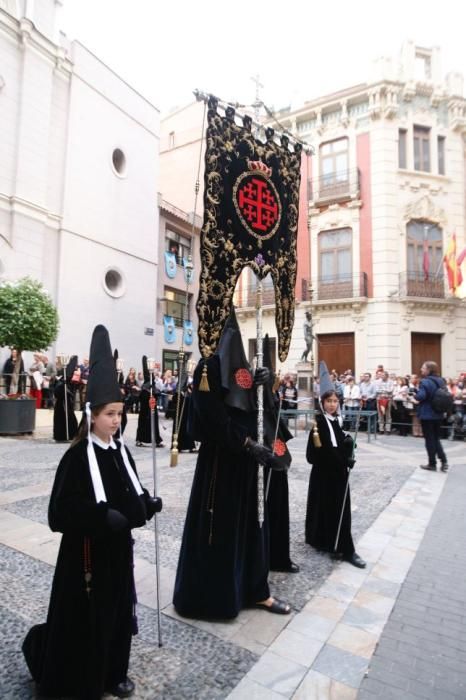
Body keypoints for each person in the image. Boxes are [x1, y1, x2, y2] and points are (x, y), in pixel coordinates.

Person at [22, 324, 162, 700]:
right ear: (93, 415)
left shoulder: (121, 451)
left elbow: (130, 490)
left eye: (119, 414)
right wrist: (100, 518)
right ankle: (85, 676)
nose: (117, 421)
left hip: (118, 552)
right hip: (85, 556)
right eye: (110, 415)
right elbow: (60, 511)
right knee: (90, 618)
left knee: (117, 613)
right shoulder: (76, 457)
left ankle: (114, 671)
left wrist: (146, 505)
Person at [173, 308, 291, 619]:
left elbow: (257, 410)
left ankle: (256, 590)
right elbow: (212, 419)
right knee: (220, 528)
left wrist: (267, 386)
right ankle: (215, 598)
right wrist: (248, 445)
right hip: (221, 465)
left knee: (253, 525)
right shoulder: (206, 370)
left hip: (247, 467)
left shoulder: (245, 369)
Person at [305, 361, 366, 568]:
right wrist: (341, 459)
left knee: (340, 510)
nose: (332, 404)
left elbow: (338, 445)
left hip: (338, 475)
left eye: (335, 401)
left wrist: (348, 447)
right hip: (325, 476)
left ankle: (341, 544)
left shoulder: (335, 421)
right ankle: (337, 546)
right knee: (328, 509)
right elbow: (314, 455)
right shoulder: (319, 423)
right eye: (328, 401)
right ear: (322, 403)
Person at [416, 361, 449, 472]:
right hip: (438, 414)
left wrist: (414, 395)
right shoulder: (441, 381)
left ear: (429, 370)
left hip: (427, 414)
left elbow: (421, 396)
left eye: (423, 368)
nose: (421, 369)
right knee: (436, 439)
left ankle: (432, 463)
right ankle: (444, 461)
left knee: (430, 440)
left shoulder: (425, 382)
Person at [135, 356, 164, 448]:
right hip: (145, 411)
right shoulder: (145, 387)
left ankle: (156, 440)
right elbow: (142, 397)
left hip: (152, 409)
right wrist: (148, 393)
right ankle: (139, 439)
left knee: (154, 424)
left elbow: (157, 393)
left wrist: (154, 393)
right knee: (143, 423)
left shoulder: (153, 385)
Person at [53, 356, 79, 441]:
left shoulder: (70, 372)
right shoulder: (62, 370)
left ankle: (69, 434)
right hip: (61, 399)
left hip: (66, 399)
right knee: (61, 417)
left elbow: (70, 382)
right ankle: (61, 435)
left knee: (68, 416)